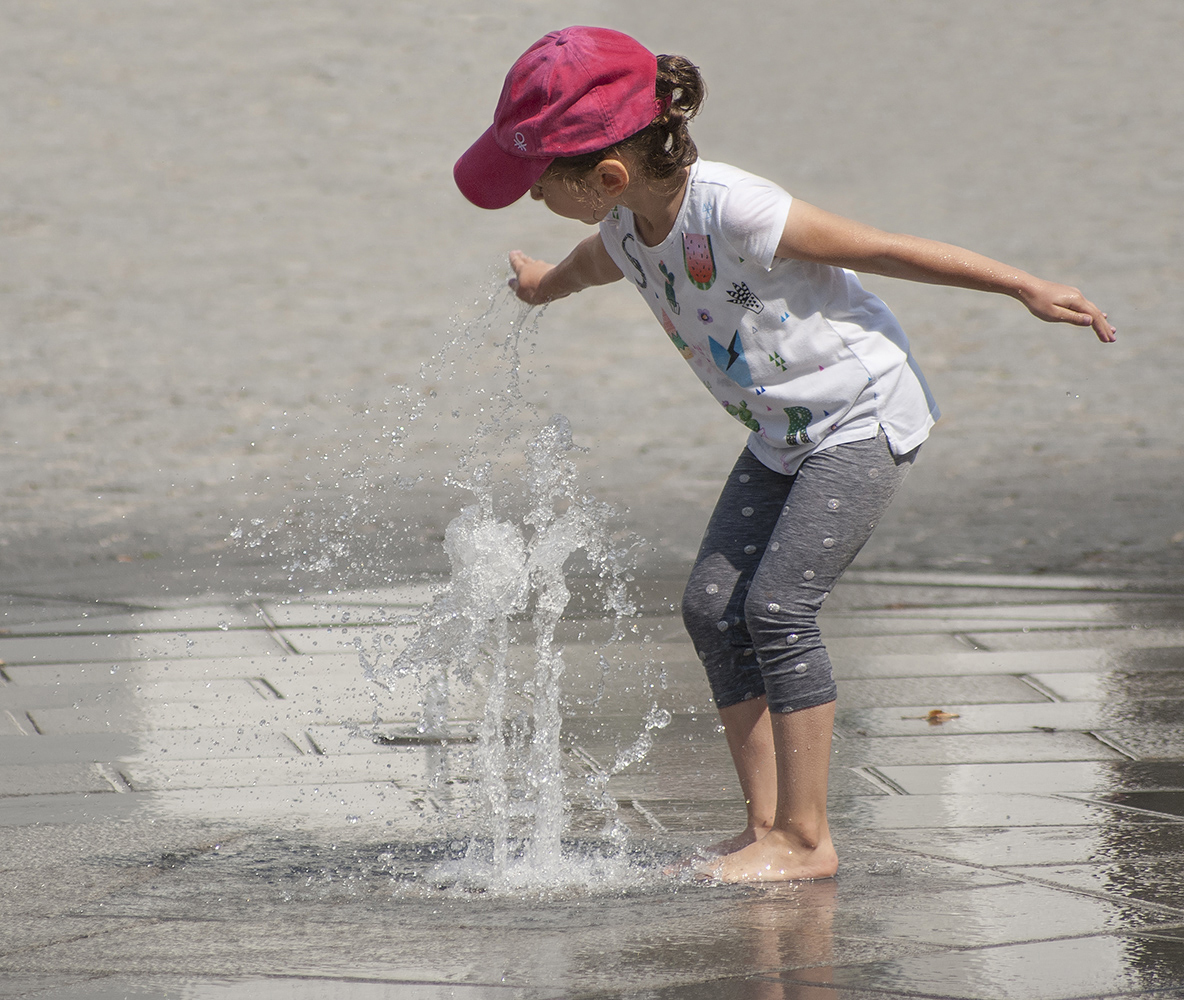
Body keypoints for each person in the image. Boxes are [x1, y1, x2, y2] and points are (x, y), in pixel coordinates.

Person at [453, 26, 1115, 883]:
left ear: (608, 175)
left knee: (777, 611)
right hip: (780, 436)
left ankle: (807, 840)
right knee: (709, 607)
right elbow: (591, 262)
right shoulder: (623, 226)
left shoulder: (735, 207)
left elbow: (880, 248)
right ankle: (766, 827)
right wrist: (544, 285)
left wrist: (1022, 284)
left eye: (540, 181)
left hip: (859, 420)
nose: (533, 194)